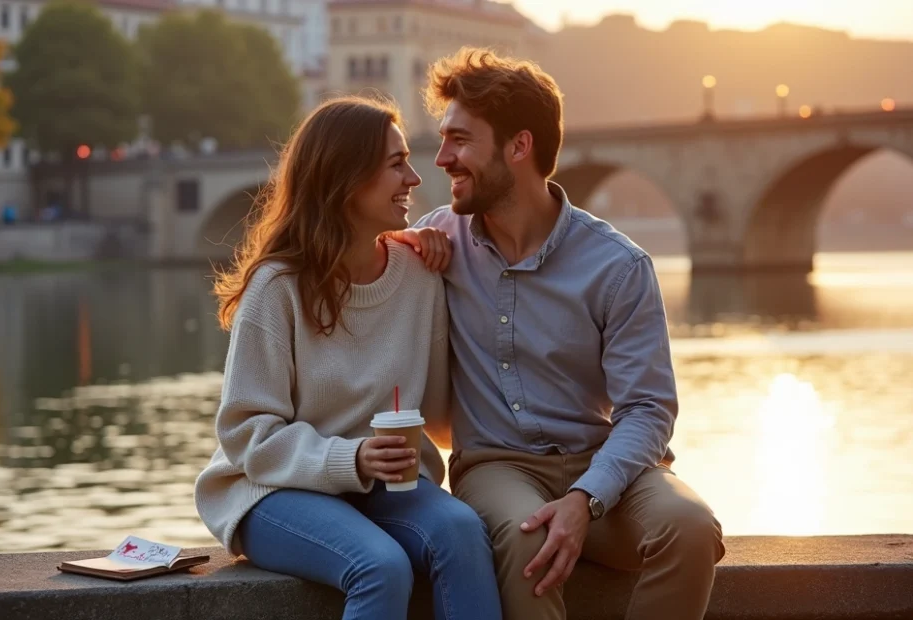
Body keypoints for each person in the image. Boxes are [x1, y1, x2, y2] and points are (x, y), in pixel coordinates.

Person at [388, 49, 725, 620]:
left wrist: (585, 499)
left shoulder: (618, 266)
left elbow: (646, 409)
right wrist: (408, 254)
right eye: (443, 139)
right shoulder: (433, 241)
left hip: (604, 462)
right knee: (526, 541)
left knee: (691, 529)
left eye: (461, 140)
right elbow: (345, 261)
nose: (441, 158)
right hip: (497, 467)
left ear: (519, 147)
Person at [194, 95, 502, 620]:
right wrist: (352, 458)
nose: (414, 178)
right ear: (344, 177)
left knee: (463, 533)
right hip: (271, 489)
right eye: (395, 164)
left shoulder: (420, 276)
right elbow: (246, 436)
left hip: (388, 487)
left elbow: (443, 417)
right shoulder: (277, 288)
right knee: (380, 566)